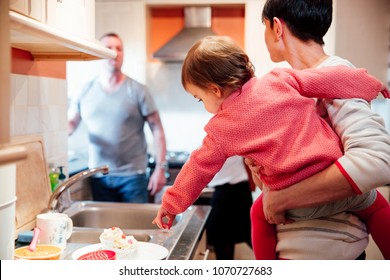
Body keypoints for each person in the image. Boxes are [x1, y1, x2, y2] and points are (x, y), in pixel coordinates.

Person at [152, 35, 388, 253]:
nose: (202, 103)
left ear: (215, 90)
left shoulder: (221, 128)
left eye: (199, 98)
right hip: (334, 178)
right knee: (376, 205)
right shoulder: (278, 79)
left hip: (295, 203)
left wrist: (171, 205)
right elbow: (331, 79)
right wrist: (371, 84)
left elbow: (198, 167)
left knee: (258, 214)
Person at [246, 0, 390, 259]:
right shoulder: (291, 84)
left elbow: (377, 160)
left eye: (264, 27)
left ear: (276, 27)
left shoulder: (335, 76)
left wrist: (284, 199)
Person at [68, 33, 167, 203]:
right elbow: (70, 125)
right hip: (98, 177)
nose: (115, 52)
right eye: (109, 48)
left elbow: (157, 129)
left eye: (119, 48)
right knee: (105, 230)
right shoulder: (85, 90)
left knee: (134, 229)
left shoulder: (138, 90)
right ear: (99, 53)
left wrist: (160, 168)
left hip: (133, 178)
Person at [205, 156, 254, 260]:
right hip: (242, 190)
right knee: (248, 233)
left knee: (222, 239)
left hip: (225, 193)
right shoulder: (238, 141)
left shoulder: (213, 142)